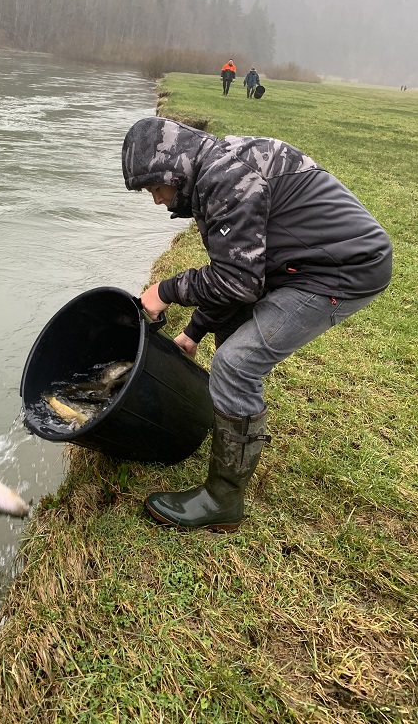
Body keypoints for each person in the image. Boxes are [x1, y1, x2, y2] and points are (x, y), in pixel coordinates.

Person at [121, 117, 392, 533]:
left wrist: (165, 290)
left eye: (155, 188)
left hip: (342, 271)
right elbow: (239, 274)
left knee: (236, 364)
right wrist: (193, 332)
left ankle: (222, 499)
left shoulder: (224, 178)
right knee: (232, 335)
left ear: (173, 170)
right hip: (304, 263)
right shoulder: (215, 169)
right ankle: (232, 429)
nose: (157, 200)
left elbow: (238, 282)